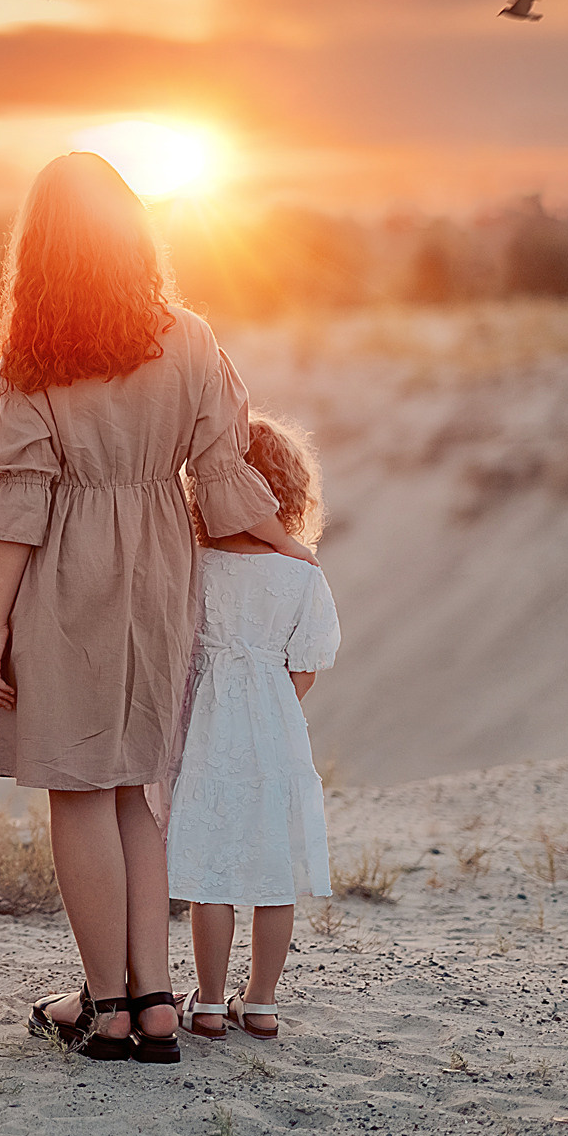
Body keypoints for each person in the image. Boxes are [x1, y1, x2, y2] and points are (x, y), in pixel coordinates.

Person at [0, 152, 316, 1064]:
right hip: (161, 570)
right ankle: (157, 1001)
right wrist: (289, 545)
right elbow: (223, 472)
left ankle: (111, 1009)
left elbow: (21, 497)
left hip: (66, 572)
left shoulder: (33, 361)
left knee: (79, 789)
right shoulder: (190, 339)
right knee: (136, 791)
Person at [166, 415, 338, 1043]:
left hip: (206, 725)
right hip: (273, 727)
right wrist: (266, 702)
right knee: (272, 869)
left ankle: (209, 1002)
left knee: (212, 866)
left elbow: (181, 648)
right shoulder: (301, 573)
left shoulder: (194, 563)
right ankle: (260, 1002)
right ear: (288, 491)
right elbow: (308, 667)